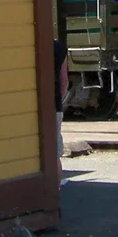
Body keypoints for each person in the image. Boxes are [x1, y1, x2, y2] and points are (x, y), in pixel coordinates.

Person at [54, 37, 69, 187]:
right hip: (55, 106)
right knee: (55, 154)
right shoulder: (59, 47)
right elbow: (64, 81)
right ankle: (55, 189)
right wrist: (59, 100)